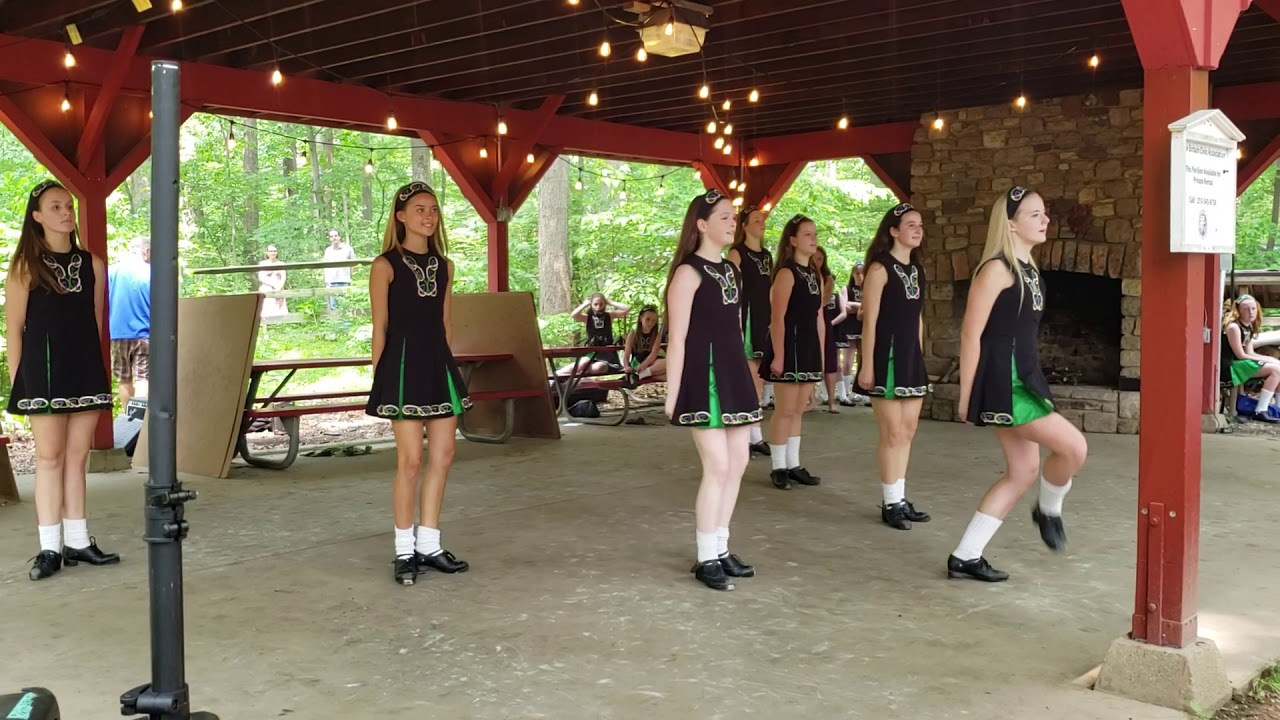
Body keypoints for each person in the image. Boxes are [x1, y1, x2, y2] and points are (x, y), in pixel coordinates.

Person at [950, 186, 1089, 582]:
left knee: (1023, 471)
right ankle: (1048, 510)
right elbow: (971, 334)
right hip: (1005, 382)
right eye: (1034, 214)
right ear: (1010, 225)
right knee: (1074, 447)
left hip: (1024, 376)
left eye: (1044, 213)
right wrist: (967, 395)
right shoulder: (996, 269)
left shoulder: (1030, 270)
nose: (1045, 220)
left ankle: (965, 556)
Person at [6, 180, 120, 581]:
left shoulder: (93, 265)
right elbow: (14, 330)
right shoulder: (25, 267)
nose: (66, 212)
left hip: (84, 370)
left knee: (77, 456)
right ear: (37, 217)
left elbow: (95, 323)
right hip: (44, 374)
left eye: (68, 205)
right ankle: (49, 548)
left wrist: (97, 370)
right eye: (55, 207)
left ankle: (77, 540)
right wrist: (22, 384)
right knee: (49, 457)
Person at [367, 182, 473, 586]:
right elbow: (380, 327)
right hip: (401, 367)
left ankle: (429, 543)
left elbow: (445, 323)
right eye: (419, 209)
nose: (428, 216)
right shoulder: (385, 265)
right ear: (400, 216)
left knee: (444, 455)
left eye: (433, 209)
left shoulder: (445, 266)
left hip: (437, 365)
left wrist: (448, 364)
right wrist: (381, 379)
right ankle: (403, 550)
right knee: (410, 461)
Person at [664, 189, 763, 591]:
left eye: (733, 216)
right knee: (718, 466)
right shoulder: (688, 273)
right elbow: (678, 338)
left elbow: (735, 330)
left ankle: (721, 547)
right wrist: (673, 393)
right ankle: (706, 557)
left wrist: (746, 375)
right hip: (703, 378)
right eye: (724, 216)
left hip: (733, 373)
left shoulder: (732, 271)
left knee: (738, 461)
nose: (732, 222)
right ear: (702, 224)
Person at [859, 203, 931, 529]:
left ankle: (900, 498)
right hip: (885, 357)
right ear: (893, 231)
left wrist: (919, 355)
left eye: (920, 225)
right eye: (911, 224)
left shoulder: (917, 270)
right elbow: (870, 321)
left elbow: (918, 318)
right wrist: (866, 366)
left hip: (910, 357)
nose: (918, 229)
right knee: (892, 432)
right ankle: (890, 503)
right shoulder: (879, 269)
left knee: (909, 430)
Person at [760, 214, 824, 490]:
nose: (813, 239)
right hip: (789, 346)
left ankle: (793, 463)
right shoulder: (786, 273)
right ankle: (778, 467)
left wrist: (821, 351)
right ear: (793, 240)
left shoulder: (815, 273)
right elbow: (777, 317)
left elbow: (819, 316)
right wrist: (779, 355)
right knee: (785, 409)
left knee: (799, 409)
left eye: (815, 234)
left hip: (809, 346)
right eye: (807, 234)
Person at [727, 206, 774, 456]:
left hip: (765, 319)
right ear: (744, 226)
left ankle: (751, 433)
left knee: (760, 379)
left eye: (762, 220)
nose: (761, 223)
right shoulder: (737, 253)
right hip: (746, 318)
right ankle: (749, 434)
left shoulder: (767, 256)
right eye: (756, 220)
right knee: (750, 378)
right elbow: (732, 292)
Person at [1221, 294, 1280, 423]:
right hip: (1230, 366)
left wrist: (1272, 360)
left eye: (1253, 308)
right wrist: (1268, 361)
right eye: (1246, 309)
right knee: (1276, 370)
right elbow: (1241, 355)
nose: (1251, 312)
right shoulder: (1234, 327)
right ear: (1238, 311)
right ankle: (1260, 410)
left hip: (1240, 363)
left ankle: (1277, 408)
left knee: (1278, 365)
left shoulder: (1248, 327)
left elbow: (1250, 352)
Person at [108, 237, 151, 408]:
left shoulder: (111, 272)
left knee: (124, 379)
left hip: (117, 334)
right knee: (143, 378)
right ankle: (139, 420)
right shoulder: (151, 272)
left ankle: (129, 418)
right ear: (146, 251)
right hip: (144, 334)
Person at [814, 246, 848, 413]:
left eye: (820, 259)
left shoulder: (827, 279)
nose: (816, 262)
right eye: (814, 258)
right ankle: (810, 399)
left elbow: (822, 301)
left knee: (830, 360)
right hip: (803, 321)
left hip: (823, 320)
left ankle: (832, 401)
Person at [565, 293, 630, 375]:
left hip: (608, 353)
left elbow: (627, 309)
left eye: (601, 304)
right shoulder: (587, 318)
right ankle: (557, 375)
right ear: (591, 304)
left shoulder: (609, 316)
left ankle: (584, 371)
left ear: (604, 304)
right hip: (592, 351)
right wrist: (585, 304)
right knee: (582, 363)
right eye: (595, 304)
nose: (598, 307)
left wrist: (611, 302)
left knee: (598, 367)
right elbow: (574, 315)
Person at [839, 261, 868, 406]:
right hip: (850, 328)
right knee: (848, 362)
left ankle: (861, 391)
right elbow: (844, 306)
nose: (860, 276)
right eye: (857, 273)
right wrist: (861, 306)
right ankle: (845, 393)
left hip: (864, 328)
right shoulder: (847, 289)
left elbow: (872, 307)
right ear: (852, 274)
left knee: (863, 361)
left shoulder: (869, 288)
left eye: (863, 273)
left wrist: (855, 307)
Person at [622, 305, 667, 383]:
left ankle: (640, 376)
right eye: (647, 319)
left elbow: (654, 353)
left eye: (653, 321)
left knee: (668, 364)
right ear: (641, 318)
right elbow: (626, 355)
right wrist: (626, 367)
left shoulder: (657, 335)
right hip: (638, 362)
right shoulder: (632, 335)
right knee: (666, 371)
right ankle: (643, 374)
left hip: (650, 361)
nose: (650, 323)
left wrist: (644, 365)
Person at [323, 229, 357, 312]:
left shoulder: (348, 249)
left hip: (344, 281)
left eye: (336, 236)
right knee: (334, 307)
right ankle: (335, 320)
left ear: (339, 237)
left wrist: (350, 277)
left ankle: (346, 321)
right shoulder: (328, 251)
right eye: (331, 236)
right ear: (329, 238)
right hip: (331, 282)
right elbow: (325, 266)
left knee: (346, 306)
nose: (334, 238)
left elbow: (353, 263)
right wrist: (326, 281)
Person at [257, 245, 287, 317]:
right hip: (267, 288)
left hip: (279, 288)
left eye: (274, 251)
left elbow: (283, 277)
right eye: (270, 251)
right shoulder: (263, 264)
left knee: (279, 310)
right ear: (267, 253)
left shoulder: (281, 264)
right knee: (267, 309)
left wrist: (279, 287)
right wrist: (273, 285)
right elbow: (261, 277)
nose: (273, 253)